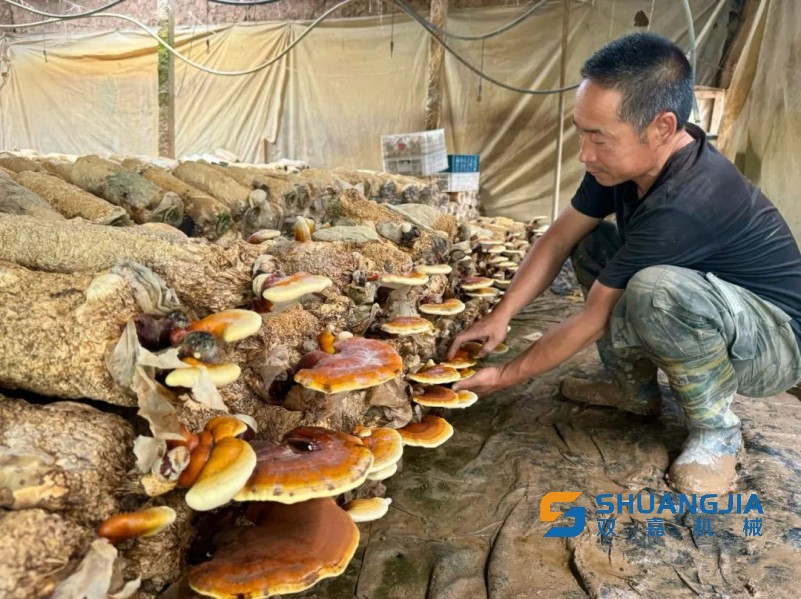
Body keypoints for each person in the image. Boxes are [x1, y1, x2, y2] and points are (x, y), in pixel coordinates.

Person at [449, 32, 801, 496]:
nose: (584, 153)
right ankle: (633, 391)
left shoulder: (689, 200)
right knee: (592, 242)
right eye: (581, 131)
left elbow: (593, 316)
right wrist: (502, 314)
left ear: (662, 127)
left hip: (775, 343)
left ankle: (717, 433)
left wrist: (504, 375)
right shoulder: (622, 165)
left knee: (656, 290)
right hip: (721, 309)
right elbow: (559, 238)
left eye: (599, 138)